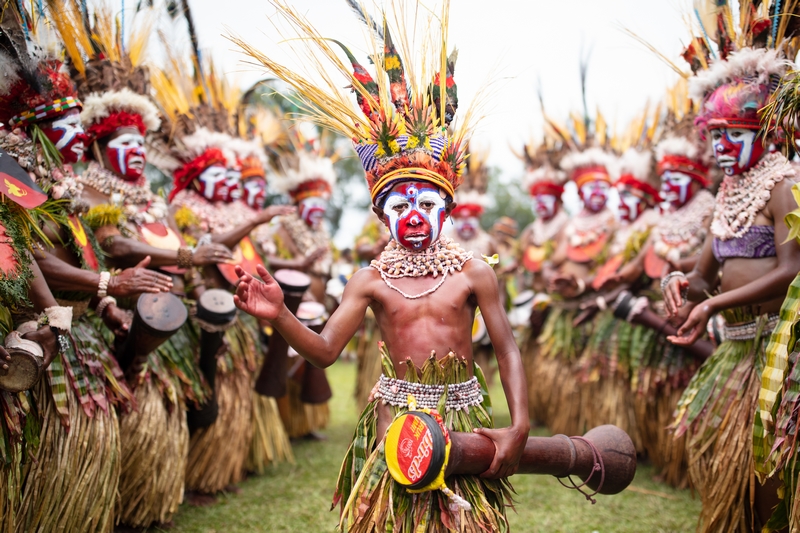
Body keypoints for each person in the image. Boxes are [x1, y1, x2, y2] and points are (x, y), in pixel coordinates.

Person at [230, 2, 528, 529]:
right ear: (379, 213)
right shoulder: (371, 280)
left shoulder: (475, 272)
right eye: (400, 204)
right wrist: (279, 314)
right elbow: (323, 352)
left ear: (448, 209)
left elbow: (505, 346)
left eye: (426, 203)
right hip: (394, 420)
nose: (413, 215)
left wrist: (520, 425)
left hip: (461, 417)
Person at [662, 46, 800, 532]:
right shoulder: (728, 190)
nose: (720, 146)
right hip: (737, 352)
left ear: (767, 132)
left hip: (779, 355)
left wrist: (714, 302)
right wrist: (680, 284)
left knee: (770, 469)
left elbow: (791, 270)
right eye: (715, 135)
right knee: (729, 462)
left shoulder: (785, 185)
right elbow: (704, 274)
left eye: (733, 135)